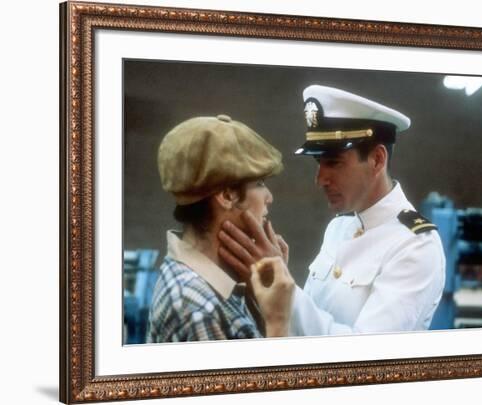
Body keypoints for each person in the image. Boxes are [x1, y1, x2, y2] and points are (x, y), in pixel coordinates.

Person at [219, 84, 446, 336]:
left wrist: (286, 290)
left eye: (334, 163)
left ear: (377, 160)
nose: (320, 179)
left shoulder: (415, 246)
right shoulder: (338, 228)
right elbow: (310, 326)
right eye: (319, 163)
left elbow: (365, 358)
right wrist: (279, 285)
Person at [146, 114, 294, 343]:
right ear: (227, 195)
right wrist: (278, 320)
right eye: (260, 183)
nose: (269, 197)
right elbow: (261, 380)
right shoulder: (198, 309)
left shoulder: (205, 280)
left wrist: (260, 297)